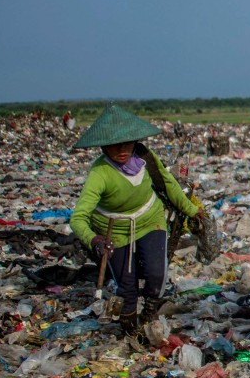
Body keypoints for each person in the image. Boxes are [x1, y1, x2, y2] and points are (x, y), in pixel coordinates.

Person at [70, 105, 205, 338]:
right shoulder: (100, 173)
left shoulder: (145, 158)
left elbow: (169, 184)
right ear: (103, 146)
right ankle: (130, 329)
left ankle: (150, 313)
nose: (121, 149)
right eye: (114, 145)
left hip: (149, 219)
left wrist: (192, 210)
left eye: (127, 143)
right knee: (127, 287)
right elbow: (78, 218)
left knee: (156, 272)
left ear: (135, 141)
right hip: (114, 230)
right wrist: (94, 239)